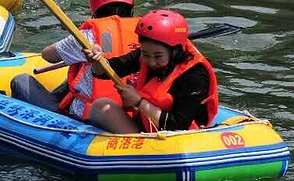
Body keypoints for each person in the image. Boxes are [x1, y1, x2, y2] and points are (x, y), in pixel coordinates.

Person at [10, 0, 140, 120]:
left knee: (21, 81)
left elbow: (48, 55)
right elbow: (111, 50)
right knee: (76, 74)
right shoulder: (144, 34)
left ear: (94, 7)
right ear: (131, 5)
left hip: (88, 118)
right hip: (131, 115)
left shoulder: (88, 36)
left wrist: (75, 51)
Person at [81, 9, 219, 133]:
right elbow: (105, 71)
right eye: (146, 54)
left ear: (175, 52)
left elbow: (179, 125)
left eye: (158, 56)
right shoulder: (143, 55)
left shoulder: (194, 74)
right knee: (101, 106)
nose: (151, 62)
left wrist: (138, 102)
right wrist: (97, 60)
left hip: (181, 137)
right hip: (148, 130)